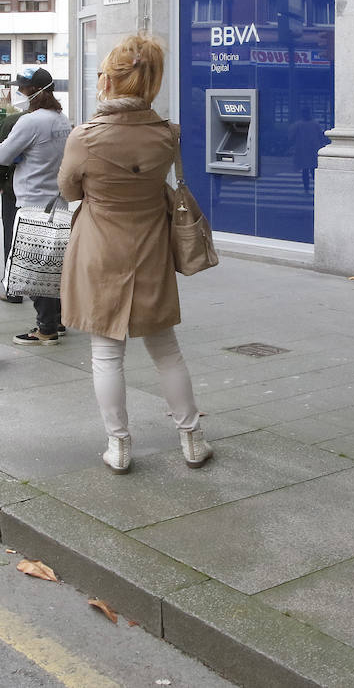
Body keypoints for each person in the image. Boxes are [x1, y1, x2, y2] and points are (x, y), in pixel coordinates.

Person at [58, 33, 213, 474]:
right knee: (166, 350)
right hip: (151, 248)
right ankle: (192, 440)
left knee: (106, 353)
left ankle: (119, 445)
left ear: (108, 80)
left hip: (99, 249)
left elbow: (69, 189)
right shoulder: (167, 135)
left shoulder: (85, 136)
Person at [0, 68, 70, 344]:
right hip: (58, 201)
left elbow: (2, 156)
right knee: (54, 265)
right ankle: (58, 320)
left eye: (22, 88)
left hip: (32, 202)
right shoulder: (62, 120)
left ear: (35, 91)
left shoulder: (30, 122)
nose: (19, 92)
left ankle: (46, 329)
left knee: (36, 268)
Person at [0, 76, 33, 304]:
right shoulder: (60, 121)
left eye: (21, 89)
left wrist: (0, 183)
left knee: (13, 237)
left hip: (14, 190)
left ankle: (14, 289)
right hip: (49, 194)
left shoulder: (14, 121)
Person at [288, 108, 326, 194]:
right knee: (312, 170)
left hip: (303, 150)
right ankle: (316, 188)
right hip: (313, 150)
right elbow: (321, 136)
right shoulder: (315, 124)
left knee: (305, 171)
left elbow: (291, 137)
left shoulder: (298, 125)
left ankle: (307, 189)